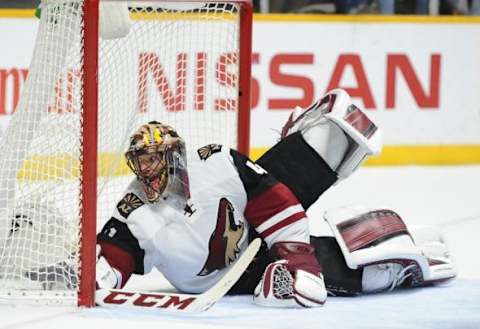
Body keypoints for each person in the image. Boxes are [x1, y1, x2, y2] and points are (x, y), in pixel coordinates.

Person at [96, 89, 456, 308]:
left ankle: (312, 144)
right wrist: (96, 274)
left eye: (154, 158)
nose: (147, 170)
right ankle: (393, 270)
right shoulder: (133, 209)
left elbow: (274, 200)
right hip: (226, 281)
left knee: (273, 182)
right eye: (141, 161)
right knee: (335, 274)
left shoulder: (216, 160)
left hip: (258, 231)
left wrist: (298, 256)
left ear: (175, 156)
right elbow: (113, 259)